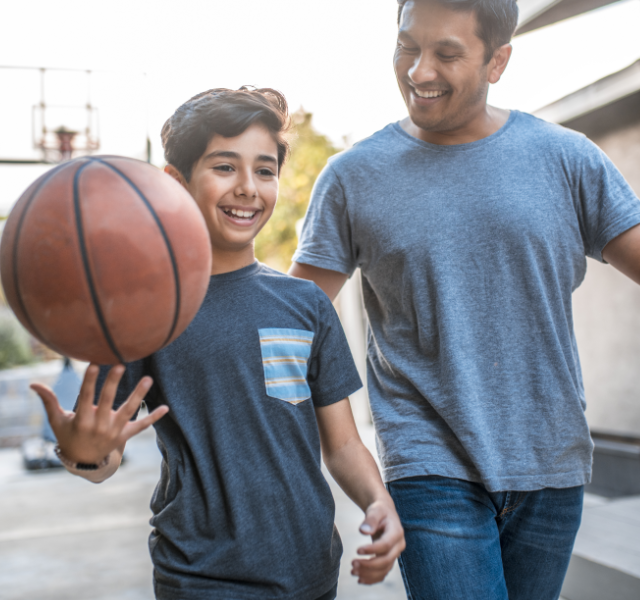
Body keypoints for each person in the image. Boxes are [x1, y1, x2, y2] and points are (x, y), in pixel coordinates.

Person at [288, 0, 640, 599]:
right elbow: (297, 317)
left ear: (498, 61)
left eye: (445, 52)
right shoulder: (354, 178)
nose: (418, 71)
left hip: (549, 465)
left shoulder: (565, 158)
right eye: (406, 47)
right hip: (427, 466)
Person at [32, 86, 405, 600]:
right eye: (225, 167)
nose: (249, 187)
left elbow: (341, 444)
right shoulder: (144, 311)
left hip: (311, 573)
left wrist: (377, 502)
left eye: (266, 170)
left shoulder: (306, 305)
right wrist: (84, 453)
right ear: (175, 183)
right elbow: (99, 452)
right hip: (200, 578)